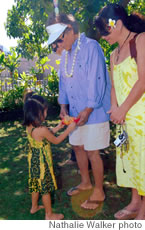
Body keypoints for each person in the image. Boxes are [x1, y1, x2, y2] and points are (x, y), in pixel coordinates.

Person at [46, 13, 111, 210]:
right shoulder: (66, 55)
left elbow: (97, 81)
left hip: (94, 112)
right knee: (77, 147)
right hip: (75, 113)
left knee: (93, 152)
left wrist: (88, 109)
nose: (57, 45)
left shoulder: (92, 47)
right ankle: (85, 182)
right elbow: (63, 83)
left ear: (71, 31)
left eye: (59, 39)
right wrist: (64, 107)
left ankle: (98, 190)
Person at [95, 3, 145, 219]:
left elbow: (143, 81)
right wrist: (114, 109)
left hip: (141, 119)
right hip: (123, 120)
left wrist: (123, 109)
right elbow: (114, 86)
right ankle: (135, 202)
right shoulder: (113, 54)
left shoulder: (141, 40)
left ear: (118, 24)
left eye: (104, 30)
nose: (102, 36)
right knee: (130, 161)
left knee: (143, 162)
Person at [23, 93, 76, 220]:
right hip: (42, 163)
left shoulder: (31, 126)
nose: (46, 113)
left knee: (36, 184)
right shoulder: (41, 129)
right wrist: (68, 130)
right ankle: (49, 214)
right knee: (45, 188)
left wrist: (59, 126)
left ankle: (34, 207)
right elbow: (56, 140)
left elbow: (47, 134)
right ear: (38, 113)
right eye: (45, 111)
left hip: (34, 161)